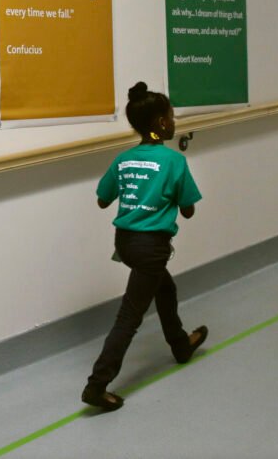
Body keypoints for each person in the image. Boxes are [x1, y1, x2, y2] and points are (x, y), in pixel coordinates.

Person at [80, 81, 208, 412]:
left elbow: (102, 199)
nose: (174, 121)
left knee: (164, 289)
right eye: (171, 116)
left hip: (126, 243)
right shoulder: (173, 161)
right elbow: (189, 210)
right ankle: (97, 385)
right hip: (151, 247)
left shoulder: (124, 159)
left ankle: (180, 345)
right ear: (161, 123)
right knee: (129, 317)